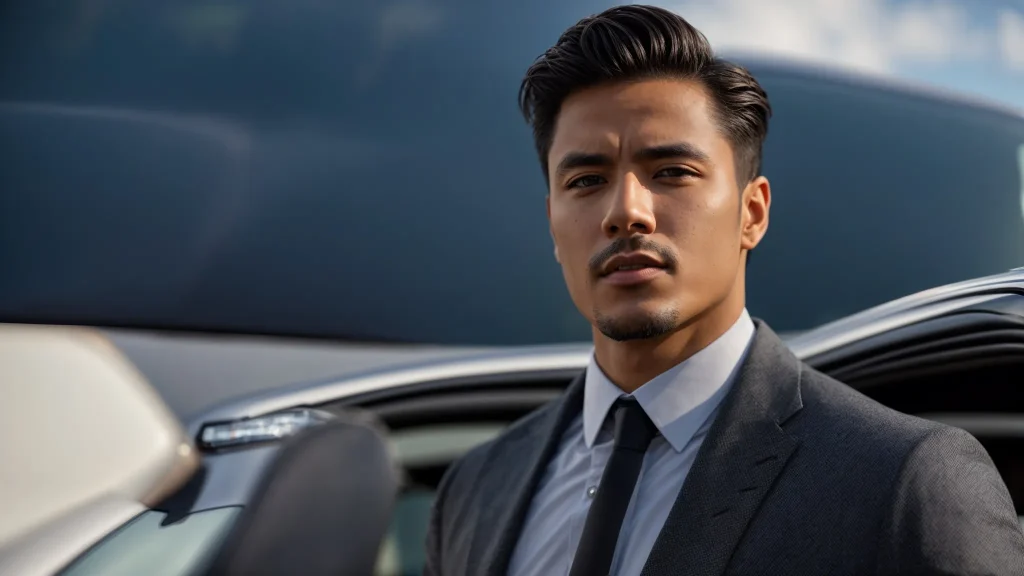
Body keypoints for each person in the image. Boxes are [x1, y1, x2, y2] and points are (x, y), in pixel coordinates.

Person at [423, 5, 1024, 575]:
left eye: (671, 173)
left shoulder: (903, 480)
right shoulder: (477, 488)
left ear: (752, 213)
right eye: (586, 180)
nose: (626, 211)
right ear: (552, 221)